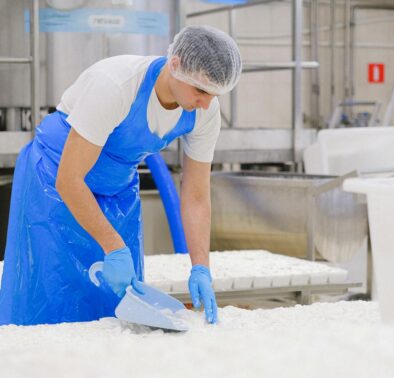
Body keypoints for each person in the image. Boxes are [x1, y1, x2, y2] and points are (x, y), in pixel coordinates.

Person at [0, 25, 242, 326]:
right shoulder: (116, 85)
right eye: (201, 90)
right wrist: (114, 246)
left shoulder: (205, 110)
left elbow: (195, 196)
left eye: (215, 94)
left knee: (118, 307)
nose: (207, 102)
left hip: (116, 190)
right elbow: (69, 180)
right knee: (52, 295)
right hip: (54, 180)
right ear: (176, 64)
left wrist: (201, 268)